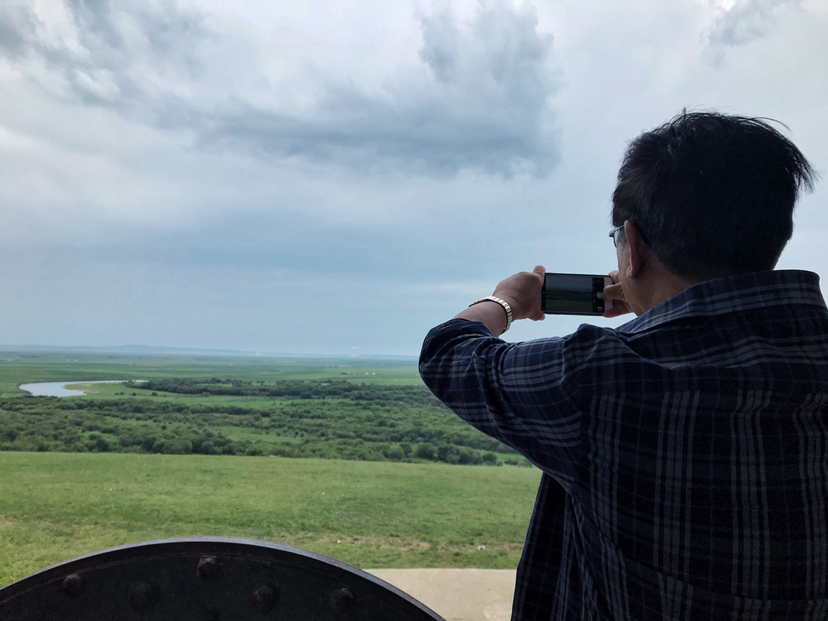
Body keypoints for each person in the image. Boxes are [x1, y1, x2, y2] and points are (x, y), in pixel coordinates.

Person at [419, 112, 827, 620]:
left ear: (632, 245)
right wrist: (657, 309)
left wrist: (507, 302)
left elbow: (447, 353)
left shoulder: (602, 379)